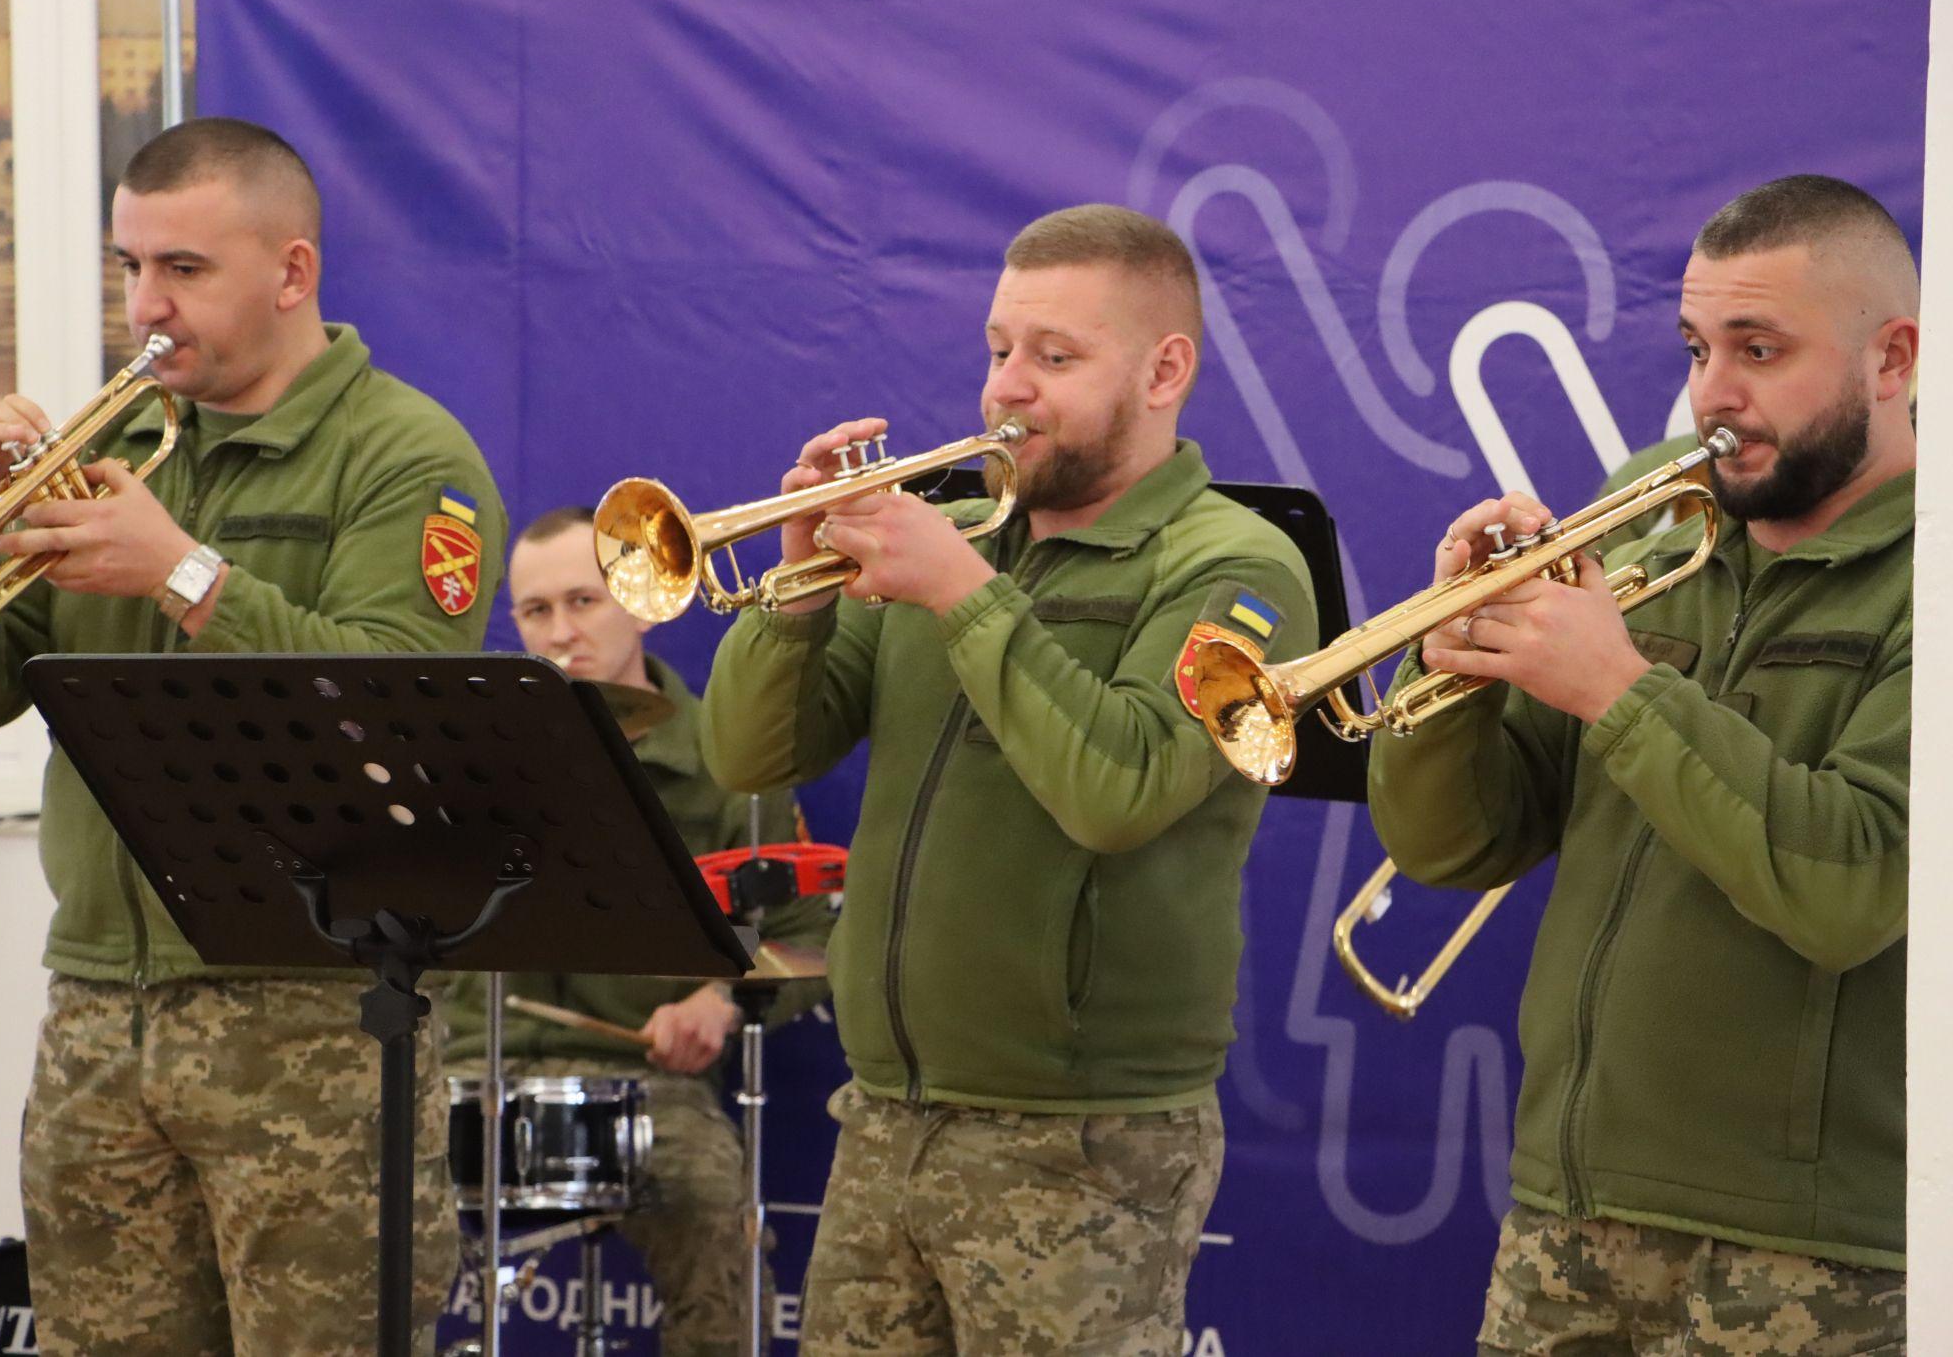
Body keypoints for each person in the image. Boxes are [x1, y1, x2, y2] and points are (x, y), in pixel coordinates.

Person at [0, 118, 506, 1356]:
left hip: (311, 1022)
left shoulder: (406, 456)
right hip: (96, 1013)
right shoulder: (113, 449)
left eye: (183, 268)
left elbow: (400, 710)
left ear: (292, 272)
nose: (145, 308)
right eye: (129, 267)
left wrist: (186, 577)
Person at [700, 203, 1318, 1353]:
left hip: (1084, 1139)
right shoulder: (957, 533)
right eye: (996, 350)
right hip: (883, 1112)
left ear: (1164, 372)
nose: (1005, 389)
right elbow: (747, 755)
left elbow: (1121, 790)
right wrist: (793, 591)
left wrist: (962, 594)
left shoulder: (1233, 564)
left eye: (1054, 357)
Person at [1368, 173, 1913, 1353]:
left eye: (1759, 349)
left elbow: (1854, 887)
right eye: (1696, 348)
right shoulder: (1652, 507)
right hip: (1565, 1213)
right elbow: (1454, 844)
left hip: (1809, 1256)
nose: (1713, 393)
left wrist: (1615, 687)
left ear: (1891, 360)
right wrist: (1456, 664)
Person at [438, 506, 833, 1356]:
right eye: (535, 610)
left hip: (645, 1088)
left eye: (583, 601)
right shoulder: (467, 752)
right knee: (338, 1214)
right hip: (465, 1071)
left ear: (643, 602)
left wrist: (718, 1002)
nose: (560, 632)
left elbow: (809, 933)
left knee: (719, 1232)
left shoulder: (728, 756)